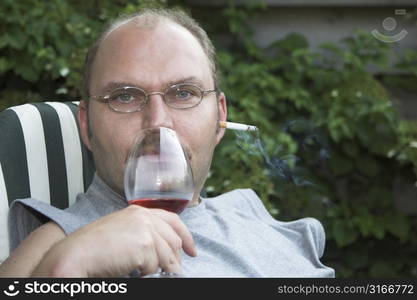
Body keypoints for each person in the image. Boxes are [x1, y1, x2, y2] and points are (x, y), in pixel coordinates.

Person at [0, 8, 334, 278]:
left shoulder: (249, 214)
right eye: (125, 96)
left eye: (184, 93)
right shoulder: (59, 244)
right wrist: (66, 266)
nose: (157, 121)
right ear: (86, 126)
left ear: (219, 118)